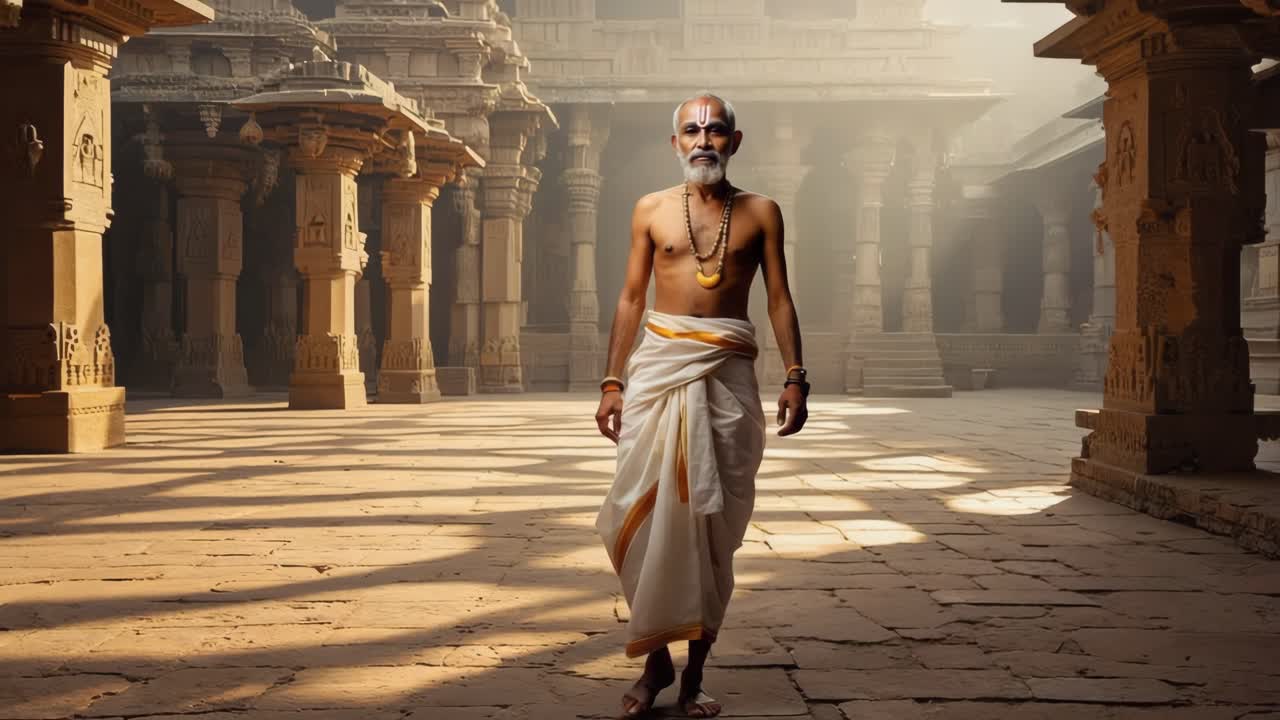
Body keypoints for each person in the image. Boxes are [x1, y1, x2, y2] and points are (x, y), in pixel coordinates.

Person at [594, 92, 809, 719]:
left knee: (713, 529)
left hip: (727, 376)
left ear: (734, 142)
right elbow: (632, 299)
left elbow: (779, 300)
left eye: (716, 130)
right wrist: (612, 381)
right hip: (659, 370)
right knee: (631, 517)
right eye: (692, 130)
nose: (703, 140)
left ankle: (694, 676)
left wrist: (795, 374)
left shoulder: (762, 212)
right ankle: (656, 662)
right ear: (676, 143)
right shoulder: (652, 211)